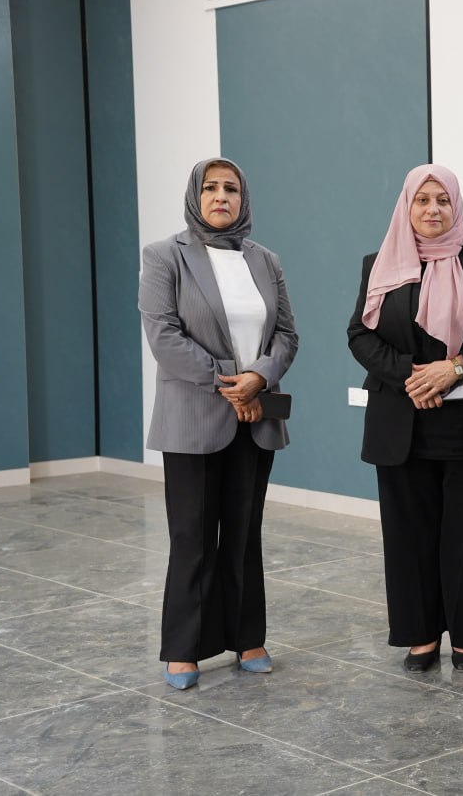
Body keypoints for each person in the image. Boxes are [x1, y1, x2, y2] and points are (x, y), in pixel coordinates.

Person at [348, 164, 463, 673]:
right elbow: (360, 335)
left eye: (442, 200)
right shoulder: (379, 264)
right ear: (407, 207)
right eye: (422, 200)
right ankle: (420, 635)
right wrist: (413, 377)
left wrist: (456, 368)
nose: (432, 209)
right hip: (404, 422)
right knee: (409, 535)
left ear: (456, 205)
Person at [140, 157, 299, 690]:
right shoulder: (165, 255)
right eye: (210, 188)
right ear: (196, 195)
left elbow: (287, 335)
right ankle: (183, 649)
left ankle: (248, 637)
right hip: (194, 416)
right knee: (192, 536)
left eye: (231, 188)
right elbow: (163, 335)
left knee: (244, 533)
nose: (221, 197)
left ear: (243, 199)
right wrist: (233, 381)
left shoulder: (265, 260)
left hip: (256, 418)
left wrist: (260, 376)